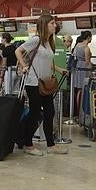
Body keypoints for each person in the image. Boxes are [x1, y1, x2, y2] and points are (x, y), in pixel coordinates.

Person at [15, 14, 69, 156]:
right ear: (45, 25)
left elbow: (48, 61)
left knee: (50, 112)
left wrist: (58, 69)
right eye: (52, 23)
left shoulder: (49, 42)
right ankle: (28, 143)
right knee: (35, 113)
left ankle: (51, 145)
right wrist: (24, 65)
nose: (55, 26)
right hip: (33, 82)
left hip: (45, 83)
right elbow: (18, 51)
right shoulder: (36, 40)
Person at [72, 31, 92, 118]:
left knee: (79, 90)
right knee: (84, 90)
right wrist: (91, 72)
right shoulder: (86, 48)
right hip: (84, 69)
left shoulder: (77, 45)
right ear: (88, 37)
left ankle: (78, 110)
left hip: (77, 68)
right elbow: (87, 62)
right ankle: (83, 111)